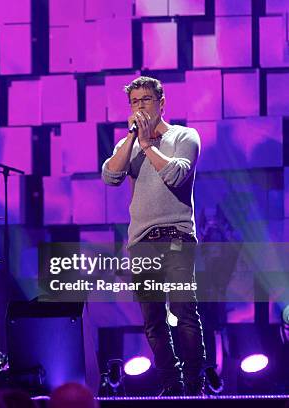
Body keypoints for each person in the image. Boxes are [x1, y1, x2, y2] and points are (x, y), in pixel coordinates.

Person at [101, 76, 205, 396]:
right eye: (134, 102)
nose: (140, 107)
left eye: (146, 100)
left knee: (184, 312)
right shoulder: (127, 144)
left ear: (161, 103)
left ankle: (193, 385)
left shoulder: (184, 136)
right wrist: (134, 140)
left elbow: (176, 174)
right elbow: (109, 176)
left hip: (176, 235)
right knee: (153, 321)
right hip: (142, 240)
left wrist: (148, 145)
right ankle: (170, 384)